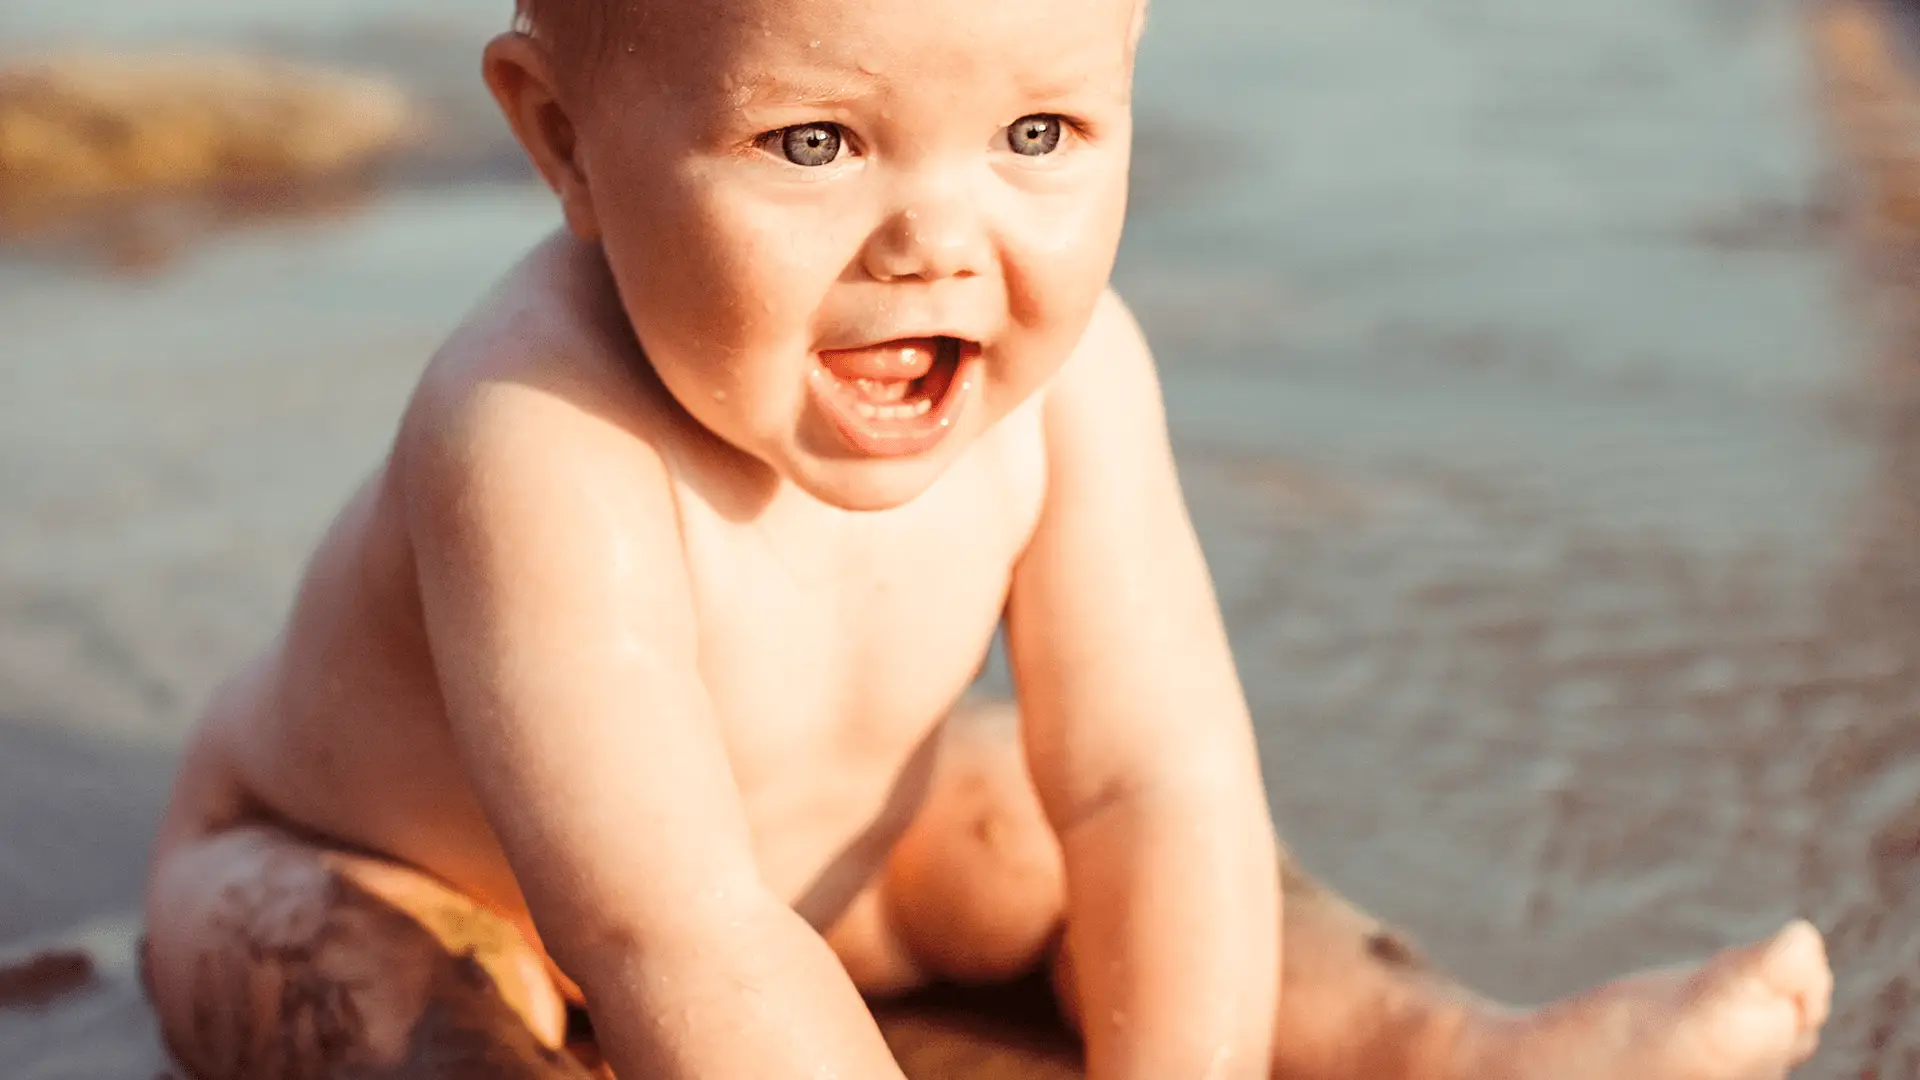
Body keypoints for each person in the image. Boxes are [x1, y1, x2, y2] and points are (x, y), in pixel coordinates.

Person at [138, 0, 1834, 1076]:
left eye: (1039, 133)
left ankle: (1457, 1048)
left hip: (825, 879)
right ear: (562, 139)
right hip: (369, 872)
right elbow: (668, 927)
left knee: (1030, 809)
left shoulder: (1077, 377)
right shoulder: (534, 435)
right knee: (399, 1023)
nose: (941, 241)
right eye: (815, 141)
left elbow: (1153, 780)